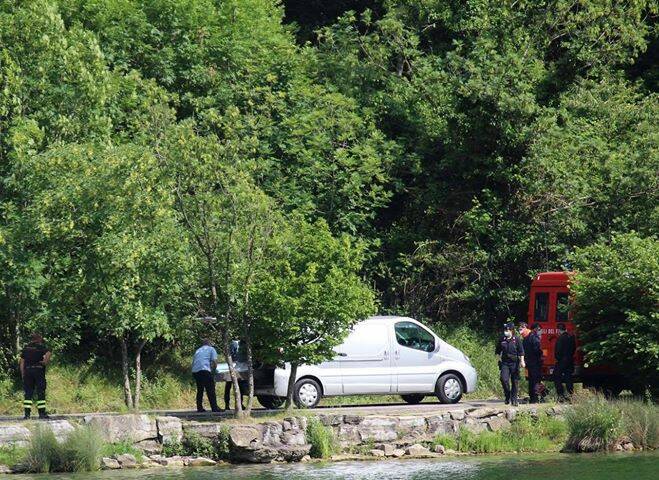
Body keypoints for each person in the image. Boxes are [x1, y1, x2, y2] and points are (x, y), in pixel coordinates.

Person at [20, 333, 51, 420]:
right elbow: (48, 353)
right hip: (38, 371)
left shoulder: (26, 348)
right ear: (39, 339)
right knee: (40, 392)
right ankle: (42, 414)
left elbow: (22, 362)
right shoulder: (41, 347)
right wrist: (45, 362)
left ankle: (27, 415)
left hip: (28, 372)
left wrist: (23, 374)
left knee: (28, 393)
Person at [495, 322, 525, 406]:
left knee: (515, 381)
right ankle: (507, 395)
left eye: (507, 330)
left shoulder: (517, 339)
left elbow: (521, 351)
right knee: (503, 379)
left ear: (511, 330)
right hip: (505, 363)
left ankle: (514, 399)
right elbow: (497, 351)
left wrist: (522, 361)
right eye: (505, 329)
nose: (506, 331)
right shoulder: (502, 339)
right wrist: (498, 360)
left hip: (515, 363)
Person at [191, 339, 222, 412]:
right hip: (204, 370)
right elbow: (214, 361)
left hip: (195, 371)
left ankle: (199, 408)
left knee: (200, 389)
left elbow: (194, 362)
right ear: (209, 343)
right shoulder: (211, 349)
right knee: (210, 389)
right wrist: (214, 371)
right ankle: (214, 408)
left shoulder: (198, 350)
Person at [554, 323, 576, 401]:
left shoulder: (560, 338)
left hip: (561, 361)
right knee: (568, 378)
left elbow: (558, 351)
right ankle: (571, 395)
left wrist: (558, 358)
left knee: (556, 377)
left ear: (558, 330)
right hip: (570, 361)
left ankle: (561, 395)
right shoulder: (571, 337)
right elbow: (574, 349)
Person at [523, 323, 543, 403]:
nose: (540, 331)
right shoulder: (535, 338)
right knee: (536, 379)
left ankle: (532, 397)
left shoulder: (526, 338)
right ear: (536, 329)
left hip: (528, 362)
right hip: (535, 362)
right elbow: (537, 350)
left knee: (531, 380)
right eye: (539, 329)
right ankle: (535, 397)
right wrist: (541, 354)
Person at [224, 340, 245, 410]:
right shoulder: (234, 343)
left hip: (240, 368)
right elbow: (230, 355)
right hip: (233, 366)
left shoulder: (244, 345)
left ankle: (240, 404)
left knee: (239, 386)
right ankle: (227, 404)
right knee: (228, 386)